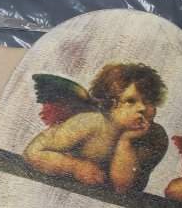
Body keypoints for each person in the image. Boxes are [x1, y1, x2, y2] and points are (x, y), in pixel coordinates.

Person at [24, 63, 168, 193]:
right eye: (131, 101)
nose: (142, 108)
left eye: (149, 101)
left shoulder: (155, 137)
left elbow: (122, 189)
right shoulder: (87, 124)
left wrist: (125, 142)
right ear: (110, 104)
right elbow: (32, 152)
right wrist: (74, 167)